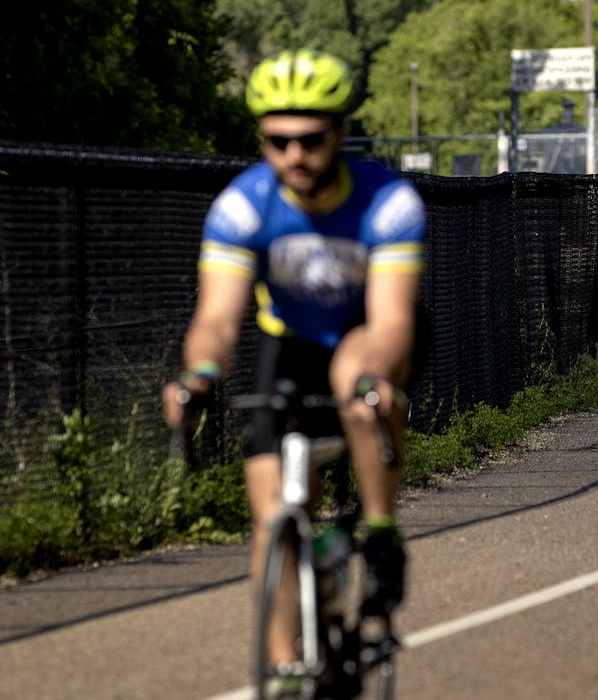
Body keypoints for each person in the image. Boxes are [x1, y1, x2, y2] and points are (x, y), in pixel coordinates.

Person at [162, 50, 425, 697]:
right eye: (278, 141)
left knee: (356, 389)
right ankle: (285, 674)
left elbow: (392, 320)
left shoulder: (387, 202)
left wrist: (374, 377)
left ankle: (383, 534)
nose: (295, 155)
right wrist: (198, 373)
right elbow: (219, 318)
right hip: (289, 346)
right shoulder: (241, 207)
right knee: (271, 516)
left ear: (339, 134)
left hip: (369, 339)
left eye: (310, 139)